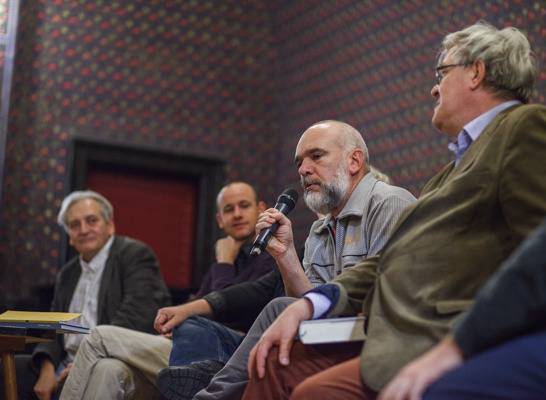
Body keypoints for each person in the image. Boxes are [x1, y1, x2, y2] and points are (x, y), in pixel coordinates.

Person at [241, 22, 546, 400]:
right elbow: (388, 261)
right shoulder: (447, 174)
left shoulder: (528, 127)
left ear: (476, 72)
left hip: (448, 335)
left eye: (442, 73)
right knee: (271, 361)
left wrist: (462, 343)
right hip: (391, 334)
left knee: (314, 392)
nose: (433, 89)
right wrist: (311, 303)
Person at [179, 120, 417, 400]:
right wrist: (286, 255)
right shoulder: (320, 229)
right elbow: (307, 304)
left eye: (316, 156)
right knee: (271, 356)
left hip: (382, 340)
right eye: (299, 162)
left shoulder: (389, 203)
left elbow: (383, 299)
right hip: (334, 335)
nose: (303, 170)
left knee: (277, 312)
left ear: (354, 161)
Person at [378, 173, 546, 400]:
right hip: (411, 325)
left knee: (432, 392)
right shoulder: (440, 178)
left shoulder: (389, 200)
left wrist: (459, 343)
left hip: (470, 321)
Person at [58, 181, 275, 400]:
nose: (237, 214)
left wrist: (224, 263)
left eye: (244, 206)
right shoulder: (223, 260)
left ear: (261, 209)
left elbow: (231, 309)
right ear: (220, 220)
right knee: (108, 369)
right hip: (183, 342)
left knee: (97, 337)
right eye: (229, 209)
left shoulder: (271, 257)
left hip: (219, 351)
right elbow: (197, 306)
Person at [2, 190, 171, 400]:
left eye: (91, 221)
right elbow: (53, 326)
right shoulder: (68, 273)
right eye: (74, 225)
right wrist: (47, 368)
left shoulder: (134, 255)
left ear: (110, 225)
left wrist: (83, 363)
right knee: (11, 366)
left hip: (111, 358)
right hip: (64, 361)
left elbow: (137, 316)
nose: (83, 230)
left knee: (103, 371)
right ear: (69, 237)